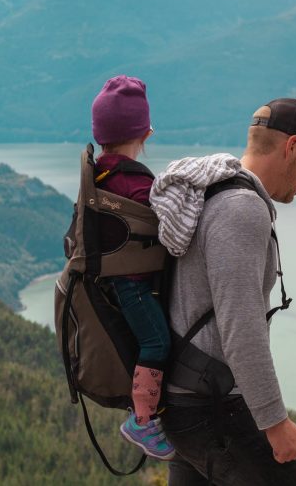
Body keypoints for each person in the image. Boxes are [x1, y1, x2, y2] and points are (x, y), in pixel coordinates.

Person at [149, 97, 296, 485]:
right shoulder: (242, 209)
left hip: (185, 400)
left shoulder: (208, 192)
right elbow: (241, 327)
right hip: (215, 409)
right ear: (291, 147)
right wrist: (274, 421)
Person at [89, 75, 176, 460]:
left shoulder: (101, 174)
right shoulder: (135, 183)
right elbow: (167, 226)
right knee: (156, 342)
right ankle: (142, 421)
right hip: (135, 285)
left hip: (114, 280)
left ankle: (145, 410)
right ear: (143, 133)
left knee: (146, 341)